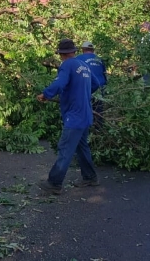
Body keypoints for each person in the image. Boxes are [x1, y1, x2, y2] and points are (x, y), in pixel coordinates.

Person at [37, 39, 100, 195]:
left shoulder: (67, 65)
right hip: (85, 113)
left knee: (65, 148)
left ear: (61, 54)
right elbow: (96, 83)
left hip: (75, 116)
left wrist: (46, 94)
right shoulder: (83, 65)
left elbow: (59, 84)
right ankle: (90, 177)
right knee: (81, 146)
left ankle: (54, 183)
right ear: (73, 51)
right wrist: (81, 92)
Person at [75, 41, 107, 126]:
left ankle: (86, 130)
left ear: (83, 49)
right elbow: (104, 74)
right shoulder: (100, 60)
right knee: (98, 111)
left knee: (83, 111)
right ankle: (98, 132)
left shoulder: (78, 59)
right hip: (100, 88)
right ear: (93, 50)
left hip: (86, 88)